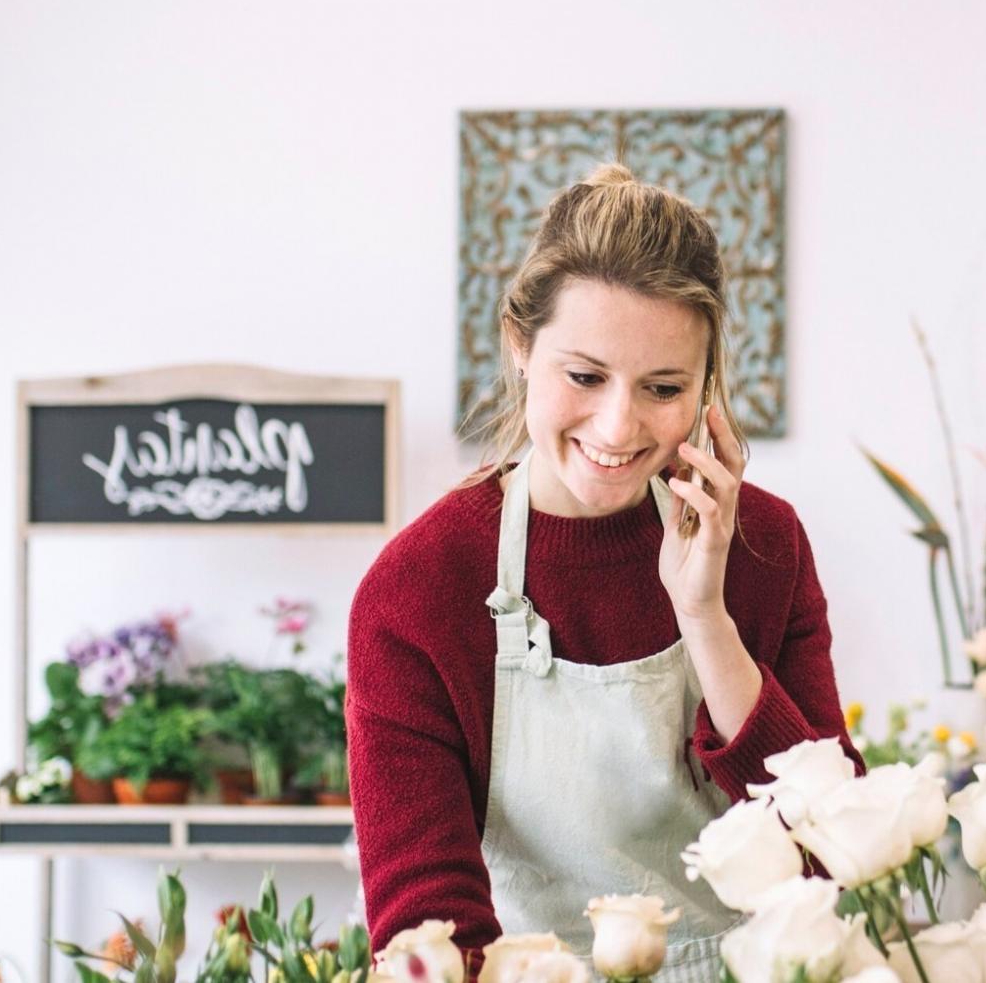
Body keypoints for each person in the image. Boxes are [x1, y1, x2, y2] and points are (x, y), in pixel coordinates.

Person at [347, 163, 864, 981]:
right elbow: (428, 931)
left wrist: (705, 617)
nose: (619, 426)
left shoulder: (763, 544)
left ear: (706, 386)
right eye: (584, 377)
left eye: (663, 387)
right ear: (521, 346)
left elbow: (837, 846)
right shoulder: (417, 589)